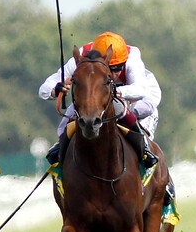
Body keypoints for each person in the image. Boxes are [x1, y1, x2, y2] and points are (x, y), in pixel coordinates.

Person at [39, 31, 159, 169]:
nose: (114, 75)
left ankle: (145, 148)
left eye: (118, 69)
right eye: (109, 69)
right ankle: (61, 148)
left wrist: (114, 91)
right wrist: (55, 89)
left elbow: (140, 90)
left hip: (140, 94)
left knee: (132, 110)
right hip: (101, 89)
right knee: (76, 111)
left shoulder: (132, 57)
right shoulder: (81, 58)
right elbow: (43, 89)